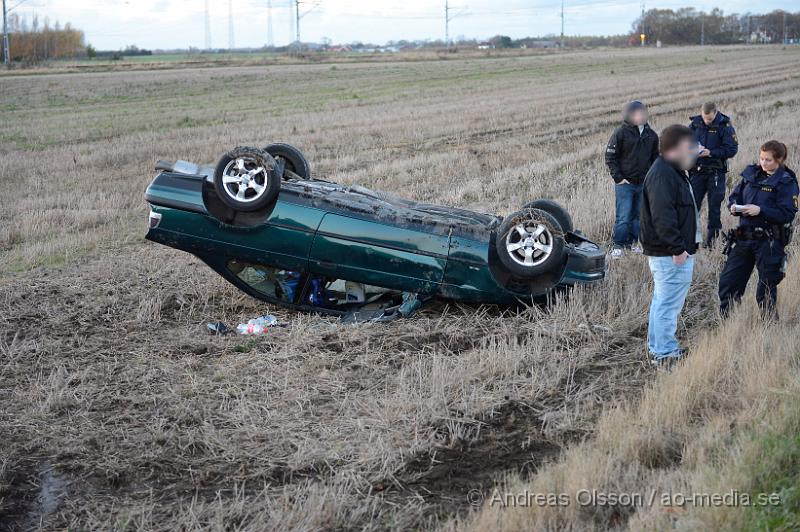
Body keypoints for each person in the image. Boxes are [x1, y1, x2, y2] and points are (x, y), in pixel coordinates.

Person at [639, 125, 702, 367]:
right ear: (674, 149)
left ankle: (659, 348)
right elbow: (663, 217)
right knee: (668, 305)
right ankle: (665, 354)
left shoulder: (671, 170)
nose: (693, 152)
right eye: (689, 148)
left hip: (668, 252)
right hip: (670, 254)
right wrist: (677, 249)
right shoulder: (663, 175)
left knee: (662, 302)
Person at [719, 141, 799, 318]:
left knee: (766, 290)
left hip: (769, 242)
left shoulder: (787, 182)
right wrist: (733, 206)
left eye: (768, 160)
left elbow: (787, 213)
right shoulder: (751, 174)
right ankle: (728, 324)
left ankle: (769, 329)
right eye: (761, 158)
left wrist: (761, 210)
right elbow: (734, 196)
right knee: (728, 283)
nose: (763, 163)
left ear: (780, 160)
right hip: (743, 238)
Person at [605, 100, 659, 259]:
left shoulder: (652, 135)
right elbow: (610, 157)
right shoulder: (620, 133)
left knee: (638, 216)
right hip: (625, 184)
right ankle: (618, 245)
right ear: (630, 115)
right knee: (623, 216)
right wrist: (619, 178)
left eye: (643, 113)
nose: (641, 116)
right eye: (637, 113)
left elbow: (656, 160)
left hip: (642, 184)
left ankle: (632, 244)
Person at [688, 102, 739, 247]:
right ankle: (692, 241)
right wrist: (692, 150)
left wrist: (711, 153)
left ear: (715, 113)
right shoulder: (694, 124)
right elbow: (684, 143)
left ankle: (712, 243)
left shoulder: (725, 126)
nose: (706, 121)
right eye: (704, 118)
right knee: (692, 207)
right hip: (697, 172)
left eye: (709, 119)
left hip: (716, 173)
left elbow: (732, 150)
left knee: (714, 209)